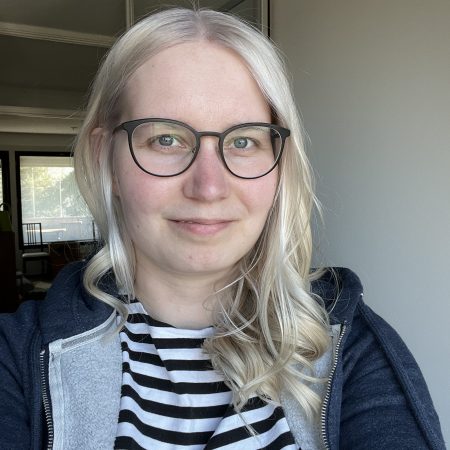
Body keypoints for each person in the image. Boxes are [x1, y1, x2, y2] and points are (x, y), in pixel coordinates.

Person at [0, 8, 445, 450]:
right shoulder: (15, 356)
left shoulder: (354, 349)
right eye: (166, 139)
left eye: (244, 140)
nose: (209, 187)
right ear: (105, 160)